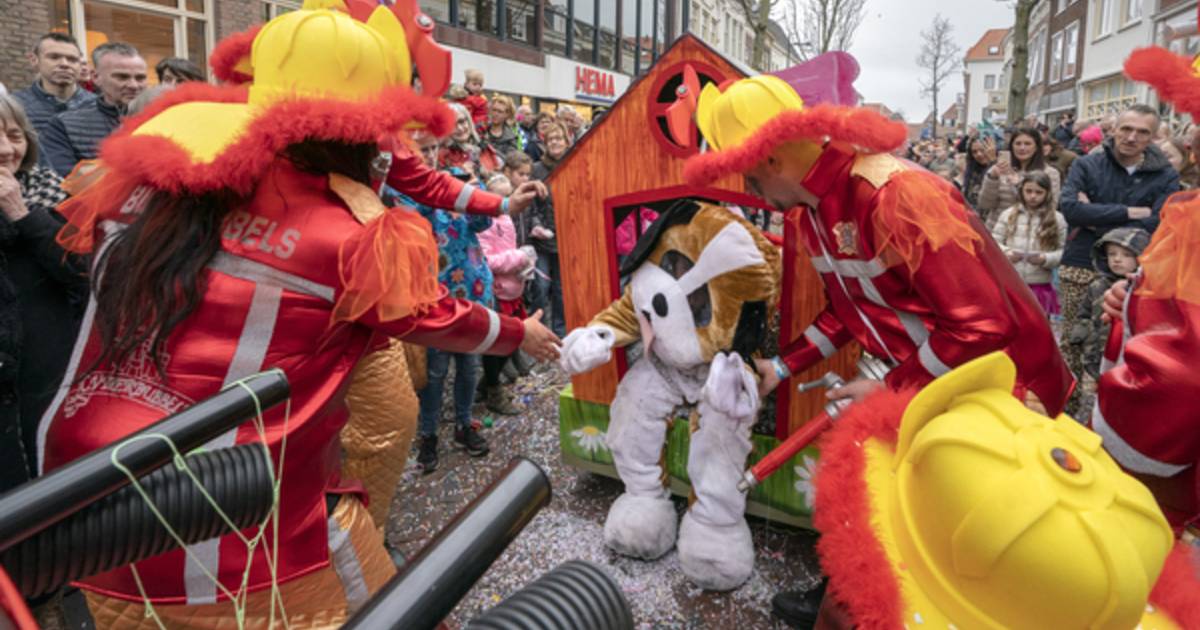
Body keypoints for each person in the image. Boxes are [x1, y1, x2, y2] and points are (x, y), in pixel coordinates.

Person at [37, 4, 560, 624]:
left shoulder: (153, 180)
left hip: (83, 504)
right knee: (387, 606)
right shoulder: (343, 231)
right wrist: (517, 331)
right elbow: (433, 316)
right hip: (241, 528)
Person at [681, 73, 1073, 627]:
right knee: (874, 495)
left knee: (953, 533)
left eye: (744, 170)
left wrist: (890, 389)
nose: (747, 189)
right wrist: (780, 366)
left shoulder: (895, 194)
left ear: (768, 158)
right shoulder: (811, 211)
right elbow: (848, 311)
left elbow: (983, 325)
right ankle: (843, 595)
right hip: (931, 378)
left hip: (1002, 393)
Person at [1059, 104, 1179, 415]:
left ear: (1152, 137)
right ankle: (1066, 410)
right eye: (1126, 129)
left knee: (1122, 345)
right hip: (1082, 264)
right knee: (1075, 340)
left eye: (1142, 132)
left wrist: (1096, 214)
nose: (1131, 137)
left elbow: (1160, 222)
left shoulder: (1165, 175)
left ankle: (1112, 416)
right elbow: (1071, 209)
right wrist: (1130, 213)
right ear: (1113, 130)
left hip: (1135, 274)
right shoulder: (1087, 165)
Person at [0, 94, 84, 494]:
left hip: (47, 384)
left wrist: (22, 215)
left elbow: (83, 274)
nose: (6, 149)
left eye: (14, 135)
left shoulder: (53, 196)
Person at [400, 131, 498, 473]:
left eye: (432, 149)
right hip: (432, 296)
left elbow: (483, 221)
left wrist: (474, 189)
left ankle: (463, 425)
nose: (428, 156)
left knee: (469, 367)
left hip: (470, 289)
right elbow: (415, 221)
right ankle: (428, 435)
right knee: (435, 372)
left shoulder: (455, 180)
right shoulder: (402, 192)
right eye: (421, 150)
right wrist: (443, 191)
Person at [477, 169, 536, 415]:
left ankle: (486, 384)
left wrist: (524, 264)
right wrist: (519, 257)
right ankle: (493, 390)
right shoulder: (482, 224)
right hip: (496, 292)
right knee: (499, 343)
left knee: (513, 340)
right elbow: (487, 260)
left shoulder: (506, 219)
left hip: (513, 289)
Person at [40, 42, 147, 176]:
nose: (133, 85)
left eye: (140, 78)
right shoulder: (64, 125)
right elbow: (64, 180)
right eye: (122, 77)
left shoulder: (162, 119)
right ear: (96, 77)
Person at [1070, 227, 1148, 382]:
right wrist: (1080, 332)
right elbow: (1084, 312)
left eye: (1126, 254)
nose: (1117, 259)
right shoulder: (1097, 285)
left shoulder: (1144, 290)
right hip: (1095, 353)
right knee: (1095, 390)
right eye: (1112, 254)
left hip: (1127, 356)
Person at [989, 171, 1068, 317]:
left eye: (1039, 192)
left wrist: (1045, 258)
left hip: (1039, 284)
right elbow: (994, 243)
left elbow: (1062, 252)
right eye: (1029, 191)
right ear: (1021, 191)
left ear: (1047, 193)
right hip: (1011, 282)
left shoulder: (1057, 219)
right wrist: (1006, 253)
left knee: (1037, 325)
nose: (1033, 196)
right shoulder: (1008, 214)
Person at [524, 121, 570, 337]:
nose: (555, 143)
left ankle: (560, 331)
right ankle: (538, 330)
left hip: (566, 237)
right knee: (541, 286)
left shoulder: (574, 164)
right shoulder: (536, 169)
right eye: (550, 139)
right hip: (542, 237)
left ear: (566, 140)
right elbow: (529, 203)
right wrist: (536, 225)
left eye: (558, 138)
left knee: (562, 289)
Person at [12, 33, 95, 143]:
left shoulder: (98, 105)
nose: (65, 64)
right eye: (54, 57)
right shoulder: (14, 106)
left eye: (72, 59)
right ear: (34, 60)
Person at [976, 127, 1061, 229]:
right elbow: (985, 204)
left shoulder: (1050, 173)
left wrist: (1019, 185)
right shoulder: (1000, 169)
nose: (1022, 148)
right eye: (1018, 143)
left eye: (1027, 144)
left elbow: (1050, 208)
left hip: (1029, 233)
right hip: (997, 230)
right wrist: (992, 178)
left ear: (1037, 147)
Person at [438, 102, 483, 174]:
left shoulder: (483, 146)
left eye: (462, 121)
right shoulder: (441, 155)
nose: (460, 128)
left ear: (469, 121)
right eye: (452, 125)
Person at [482, 94, 522, 163]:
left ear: (507, 115)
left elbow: (511, 161)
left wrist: (494, 152)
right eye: (494, 110)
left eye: (500, 112)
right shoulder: (481, 130)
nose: (496, 114)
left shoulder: (511, 138)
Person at [960, 134, 996, 209]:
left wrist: (993, 162)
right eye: (974, 152)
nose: (979, 154)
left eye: (982, 150)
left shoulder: (1000, 168)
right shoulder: (971, 171)